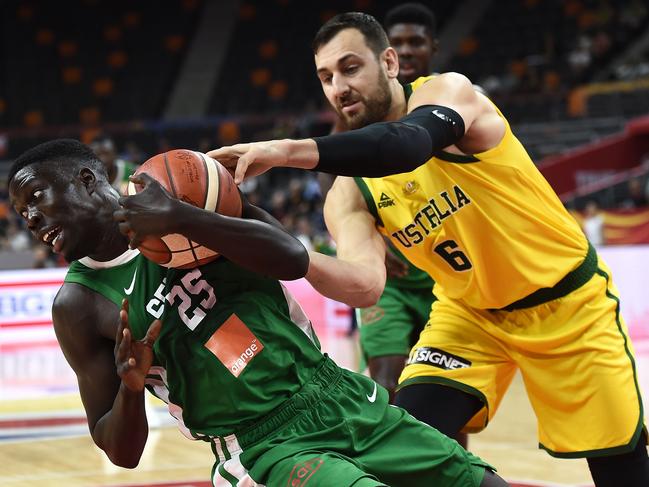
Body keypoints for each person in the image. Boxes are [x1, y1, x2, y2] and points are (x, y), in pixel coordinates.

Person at [209, 12, 649, 487]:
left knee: (620, 471)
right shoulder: (348, 192)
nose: (339, 87)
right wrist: (290, 252)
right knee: (406, 439)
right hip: (470, 317)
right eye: (326, 77)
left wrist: (285, 151)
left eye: (350, 68)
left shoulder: (449, 93)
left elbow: (407, 144)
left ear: (390, 62)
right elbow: (365, 286)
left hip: (567, 305)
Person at [8, 139, 505, 487]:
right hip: (262, 447)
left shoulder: (181, 188)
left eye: (35, 198)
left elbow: (292, 258)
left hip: (336, 393)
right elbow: (121, 451)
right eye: (20, 213)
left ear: (87, 179)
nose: (29, 218)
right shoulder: (79, 305)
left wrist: (184, 218)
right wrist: (133, 389)